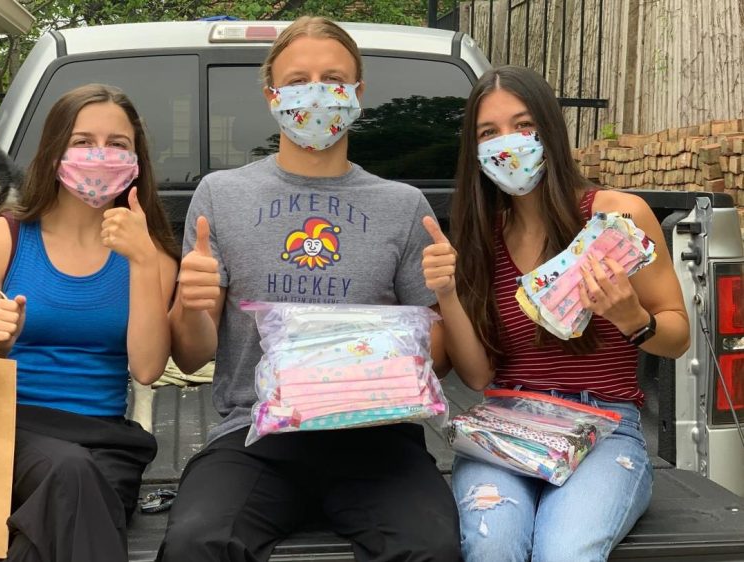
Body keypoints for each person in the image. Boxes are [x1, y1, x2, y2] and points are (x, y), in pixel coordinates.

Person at [158, 15, 461, 562]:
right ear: (271, 93)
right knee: (196, 542)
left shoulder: (402, 205)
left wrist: (441, 303)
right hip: (253, 437)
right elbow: (193, 350)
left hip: (378, 436)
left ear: (358, 93)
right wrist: (193, 303)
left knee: (431, 547)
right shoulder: (221, 196)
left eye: (333, 78)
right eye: (298, 80)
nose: (316, 93)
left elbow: (436, 364)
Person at [421, 65, 690, 562]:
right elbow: (479, 376)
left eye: (524, 126)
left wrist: (634, 318)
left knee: (566, 551)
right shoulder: (482, 236)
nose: (509, 143)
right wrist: (449, 293)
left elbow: (677, 335)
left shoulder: (616, 216)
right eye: (488, 133)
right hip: (508, 418)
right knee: (492, 544)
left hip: (606, 424)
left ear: (550, 129)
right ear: (474, 151)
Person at [0, 83, 180, 562]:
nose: (100, 155)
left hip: (104, 441)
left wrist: (143, 262)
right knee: (71, 473)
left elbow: (146, 369)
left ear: (136, 158)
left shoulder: (151, 255)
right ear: (54, 149)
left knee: (70, 485)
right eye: (83, 141)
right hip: (9, 434)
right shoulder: (1, 239)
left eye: (117, 145)